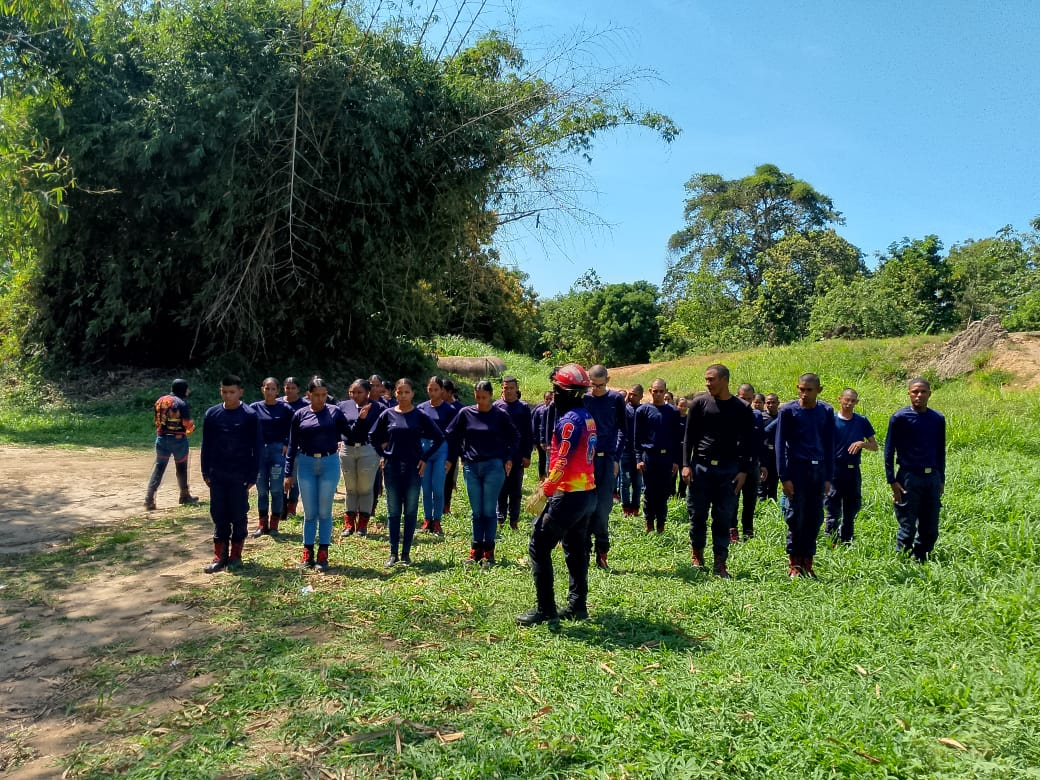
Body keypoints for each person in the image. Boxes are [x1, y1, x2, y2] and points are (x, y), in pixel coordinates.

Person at [517, 364, 597, 626]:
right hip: (587, 494)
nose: (553, 395)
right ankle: (577, 606)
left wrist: (545, 491)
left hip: (568, 496)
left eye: (556, 390)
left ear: (564, 392)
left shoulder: (569, 422)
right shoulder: (586, 417)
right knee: (575, 549)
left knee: (538, 546)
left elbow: (561, 461)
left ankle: (546, 609)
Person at [682, 365, 756, 578]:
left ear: (724, 380)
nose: (707, 383)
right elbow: (689, 436)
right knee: (697, 515)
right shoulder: (699, 403)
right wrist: (686, 464)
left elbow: (748, 442)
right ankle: (697, 554)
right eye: (706, 379)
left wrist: (743, 471)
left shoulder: (741, 407)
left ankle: (720, 563)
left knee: (723, 518)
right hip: (701, 468)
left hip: (728, 471)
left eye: (711, 379)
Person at [370, 378, 445, 567]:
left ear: (412, 394)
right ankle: (393, 552)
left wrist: (425, 457)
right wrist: (383, 454)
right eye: (399, 392)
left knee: (410, 511)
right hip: (392, 467)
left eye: (406, 392)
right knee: (393, 512)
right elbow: (373, 436)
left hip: (413, 468)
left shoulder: (419, 416)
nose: (403, 396)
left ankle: (406, 553)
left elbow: (438, 437)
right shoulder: (387, 415)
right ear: (394, 393)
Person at [444, 380, 519, 565]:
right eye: (477, 397)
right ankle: (475, 548)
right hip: (471, 466)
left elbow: (515, 436)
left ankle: (489, 550)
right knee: (476, 511)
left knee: (488, 509)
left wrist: (508, 457)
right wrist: (459, 453)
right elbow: (451, 433)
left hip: (494, 465)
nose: (480, 401)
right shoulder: (466, 413)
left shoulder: (499, 415)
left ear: (491, 396)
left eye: (484, 397)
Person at [284, 377, 350, 573]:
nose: (321, 399)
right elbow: (292, 444)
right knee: (310, 512)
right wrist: (288, 473)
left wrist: (362, 421)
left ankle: (323, 553)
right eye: (317, 395)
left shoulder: (335, 412)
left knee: (324, 511)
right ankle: (307, 552)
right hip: (306, 464)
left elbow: (349, 433)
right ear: (308, 395)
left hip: (329, 463)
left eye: (324, 395)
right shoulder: (300, 415)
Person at [775, 373, 835, 578]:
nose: (804, 393)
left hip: (818, 472)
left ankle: (808, 562)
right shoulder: (788, 411)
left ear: (819, 390)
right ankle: (794, 563)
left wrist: (828, 477)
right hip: (796, 470)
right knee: (795, 517)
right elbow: (780, 445)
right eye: (801, 389)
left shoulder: (826, 411)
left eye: (809, 390)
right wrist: (784, 477)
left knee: (814, 517)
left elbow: (829, 445)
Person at [200, 375, 261, 573]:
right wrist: (205, 471)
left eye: (232, 392)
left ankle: (236, 556)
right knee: (218, 514)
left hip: (239, 475)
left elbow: (257, 447)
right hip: (217, 473)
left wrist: (252, 475)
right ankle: (219, 556)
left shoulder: (250, 415)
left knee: (238, 514)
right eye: (224, 392)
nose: (228, 396)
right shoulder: (212, 414)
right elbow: (206, 445)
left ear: (240, 392)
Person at [884, 378, 946, 562]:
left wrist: (941, 479)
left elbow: (940, 451)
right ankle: (901, 564)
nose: (919, 395)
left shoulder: (937, 419)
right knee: (907, 527)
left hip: (932, 478)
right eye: (915, 392)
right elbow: (889, 450)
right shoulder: (899, 418)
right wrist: (891, 480)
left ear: (930, 393)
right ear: (909, 393)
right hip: (908, 477)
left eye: (923, 392)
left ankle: (920, 559)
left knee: (930, 529)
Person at [582, 365, 627, 569]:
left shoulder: (616, 399)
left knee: (602, 509)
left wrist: (616, 457)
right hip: (585, 460)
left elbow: (623, 430)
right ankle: (583, 551)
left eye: (601, 385)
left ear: (607, 381)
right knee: (584, 508)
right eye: (593, 385)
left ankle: (602, 553)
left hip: (607, 460)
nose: (597, 389)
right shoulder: (584, 399)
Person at [824, 388, 878, 545]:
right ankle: (831, 540)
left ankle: (847, 539)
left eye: (853, 401)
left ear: (857, 402)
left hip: (852, 470)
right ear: (839, 399)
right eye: (846, 399)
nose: (849, 403)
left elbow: (874, 446)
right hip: (834, 469)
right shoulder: (831, 421)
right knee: (832, 506)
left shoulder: (861, 421)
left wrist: (862, 444)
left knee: (851, 507)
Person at [634, 379, 681, 533]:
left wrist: (675, 460)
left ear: (665, 391)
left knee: (663, 493)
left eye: (661, 391)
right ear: (650, 391)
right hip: (649, 457)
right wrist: (639, 459)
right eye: (655, 391)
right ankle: (649, 524)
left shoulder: (673, 412)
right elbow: (637, 438)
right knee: (649, 492)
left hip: (666, 458)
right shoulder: (642, 411)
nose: (658, 394)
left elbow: (676, 439)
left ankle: (661, 524)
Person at [144, 378, 199, 510]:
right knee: (181, 467)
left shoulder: (160, 401)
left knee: (159, 468)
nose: (188, 391)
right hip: (178, 440)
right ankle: (184, 496)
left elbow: (157, 421)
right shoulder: (181, 403)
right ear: (183, 390)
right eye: (187, 389)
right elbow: (186, 423)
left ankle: (149, 499)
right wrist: (192, 428)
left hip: (162, 439)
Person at [249, 377, 294, 538]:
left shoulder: (285, 409)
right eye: (267, 388)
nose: (269, 392)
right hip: (260, 452)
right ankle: (262, 524)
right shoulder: (254, 408)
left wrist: (287, 443)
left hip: (277, 452)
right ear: (262, 389)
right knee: (261, 490)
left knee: (276, 489)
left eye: (273, 389)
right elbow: (248, 429)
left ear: (277, 391)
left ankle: (274, 524)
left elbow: (293, 428)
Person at [337, 379, 380, 538]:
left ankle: (362, 525)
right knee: (350, 488)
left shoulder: (377, 408)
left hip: (367, 450)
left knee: (365, 488)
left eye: (359, 392)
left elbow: (380, 430)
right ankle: (349, 524)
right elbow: (340, 426)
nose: (355, 395)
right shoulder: (343, 406)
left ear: (368, 393)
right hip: (347, 449)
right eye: (352, 392)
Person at [417, 376, 454, 536]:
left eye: (436, 390)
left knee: (438, 488)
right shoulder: (421, 408)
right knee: (425, 488)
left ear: (442, 391)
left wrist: (451, 459)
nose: (433, 393)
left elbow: (454, 437)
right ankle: (427, 520)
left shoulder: (449, 410)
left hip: (441, 449)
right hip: (424, 448)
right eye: (430, 389)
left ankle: (437, 521)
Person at [495, 376, 533, 530]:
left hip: (518, 456)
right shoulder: (496, 406)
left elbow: (528, 433)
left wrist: (527, 454)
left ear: (516, 389)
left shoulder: (523, 408)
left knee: (516, 490)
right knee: (501, 489)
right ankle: (500, 518)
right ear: (502, 389)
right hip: (500, 455)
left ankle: (514, 520)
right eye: (505, 388)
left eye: (511, 388)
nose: (508, 391)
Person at [731, 382, 764, 542]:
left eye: (750, 399)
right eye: (743, 398)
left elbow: (759, 442)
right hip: (735, 464)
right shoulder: (729, 414)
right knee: (733, 499)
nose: (746, 402)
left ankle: (748, 529)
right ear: (737, 396)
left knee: (750, 500)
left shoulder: (757, 415)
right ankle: (732, 530)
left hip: (753, 464)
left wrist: (762, 463)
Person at [278, 377, 309, 521]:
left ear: (298, 390)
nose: (289, 391)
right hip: (279, 447)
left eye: (293, 388)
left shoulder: (304, 405)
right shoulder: (278, 403)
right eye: (287, 388)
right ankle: (281, 508)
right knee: (280, 478)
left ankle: (292, 507)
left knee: (294, 478)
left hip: (298, 447)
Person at [619, 384, 644, 517]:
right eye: (630, 393)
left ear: (641, 396)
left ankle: (635, 507)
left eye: (635, 394)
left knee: (637, 482)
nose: (632, 396)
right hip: (625, 450)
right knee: (625, 481)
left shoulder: (643, 410)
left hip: (639, 452)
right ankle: (626, 507)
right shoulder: (624, 409)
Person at [441, 379, 463, 515]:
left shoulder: (459, 408)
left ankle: (446, 506)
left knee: (449, 479)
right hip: (437, 447)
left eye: (442, 391)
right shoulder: (437, 406)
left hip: (452, 447)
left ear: (450, 392)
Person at [758, 393, 781, 502]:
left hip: (776, 454)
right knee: (762, 482)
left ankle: (773, 504)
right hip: (764, 453)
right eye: (768, 403)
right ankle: (760, 505)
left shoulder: (782, 418)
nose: (770, 405)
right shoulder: (761, 417)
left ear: (778, 403)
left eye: (773, 402)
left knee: (774, 481)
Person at [531, 390, 554, 481]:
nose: (548, 401)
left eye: (550, 399)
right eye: (546, 399)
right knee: (542, 459)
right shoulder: (539, 410)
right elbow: (534, 426)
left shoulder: (556, 410)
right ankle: (542, 477)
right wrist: (534, 441)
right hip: (541, 440)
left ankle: (550, 477)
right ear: (544, 400)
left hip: (552, 440)